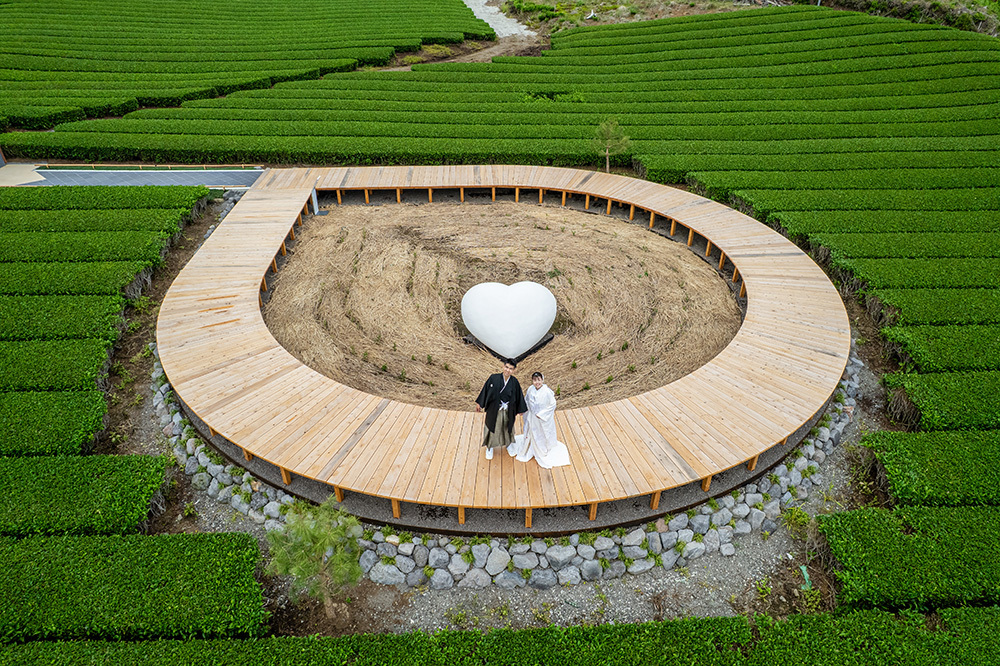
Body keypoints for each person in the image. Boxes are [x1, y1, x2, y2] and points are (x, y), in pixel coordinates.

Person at [508, 372, 571, 468]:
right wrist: (523, 410)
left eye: (539, 380)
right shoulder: (530, 389)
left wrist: (541, 414)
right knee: (530, 432)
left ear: (542, 380)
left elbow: (552, 405)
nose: (537, 382)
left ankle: (541, 449)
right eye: (535, 380)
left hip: (541, 419)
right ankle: (529, 447)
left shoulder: (547, 392)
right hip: (532, 417)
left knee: (541, 434)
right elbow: (527, 401)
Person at [474, 357, 528, 460]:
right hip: (495, 409)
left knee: (507, 427)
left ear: (514, 370)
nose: (508, 370)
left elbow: (519, 396)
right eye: (506, 367)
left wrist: (521, 408)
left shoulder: (514, 382)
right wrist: (480, 403)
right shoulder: (493, 378)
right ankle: (489, 447)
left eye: (511, 368)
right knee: (492, 427)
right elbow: (485, 390)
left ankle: (507, 444)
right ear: (503, 366)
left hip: (508, 410)